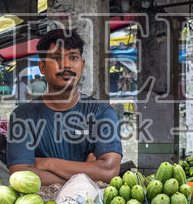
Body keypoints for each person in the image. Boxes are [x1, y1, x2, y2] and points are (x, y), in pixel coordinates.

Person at [7, 30, 122, 192]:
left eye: (73, 57)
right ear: (42, 66)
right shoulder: (23, 116)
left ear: (82, 64)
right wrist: (88, 171)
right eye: (56, 58)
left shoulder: (102, 113)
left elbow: (109, 171)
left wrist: (47, 163)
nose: (66, 65)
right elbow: (20, 175)